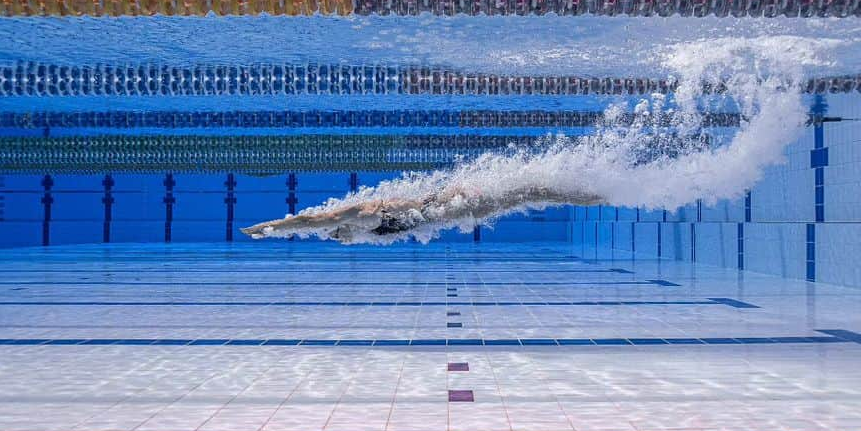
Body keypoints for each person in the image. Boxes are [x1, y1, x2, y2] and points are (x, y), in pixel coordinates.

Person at [241, 184, 604, 243]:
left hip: (453, 205)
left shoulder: (359, 214)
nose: (341, 238)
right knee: (522, 196)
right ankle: (584, 194)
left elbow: (308, 221)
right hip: (448, 207)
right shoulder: (371, 231)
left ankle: (588, 195)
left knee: (525, 194)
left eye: (339, 234)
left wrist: (269, 227)